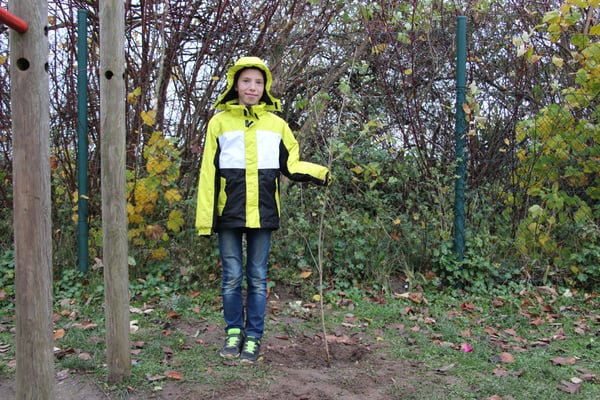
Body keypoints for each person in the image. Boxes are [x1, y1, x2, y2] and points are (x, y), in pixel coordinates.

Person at [195, 56, 329, 363]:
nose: (252, 87)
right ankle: (233, 333)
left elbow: (291, 164)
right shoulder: (218, 123)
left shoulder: (277, 125)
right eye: (246, 81)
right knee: (231, 276)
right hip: (228, 213)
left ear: (265, 87)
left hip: (264, 212)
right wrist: (205, 219)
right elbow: (208, 173)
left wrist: (321, 173)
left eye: (258, 82)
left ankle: (253, 337)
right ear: (235, 85)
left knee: (257, 277)